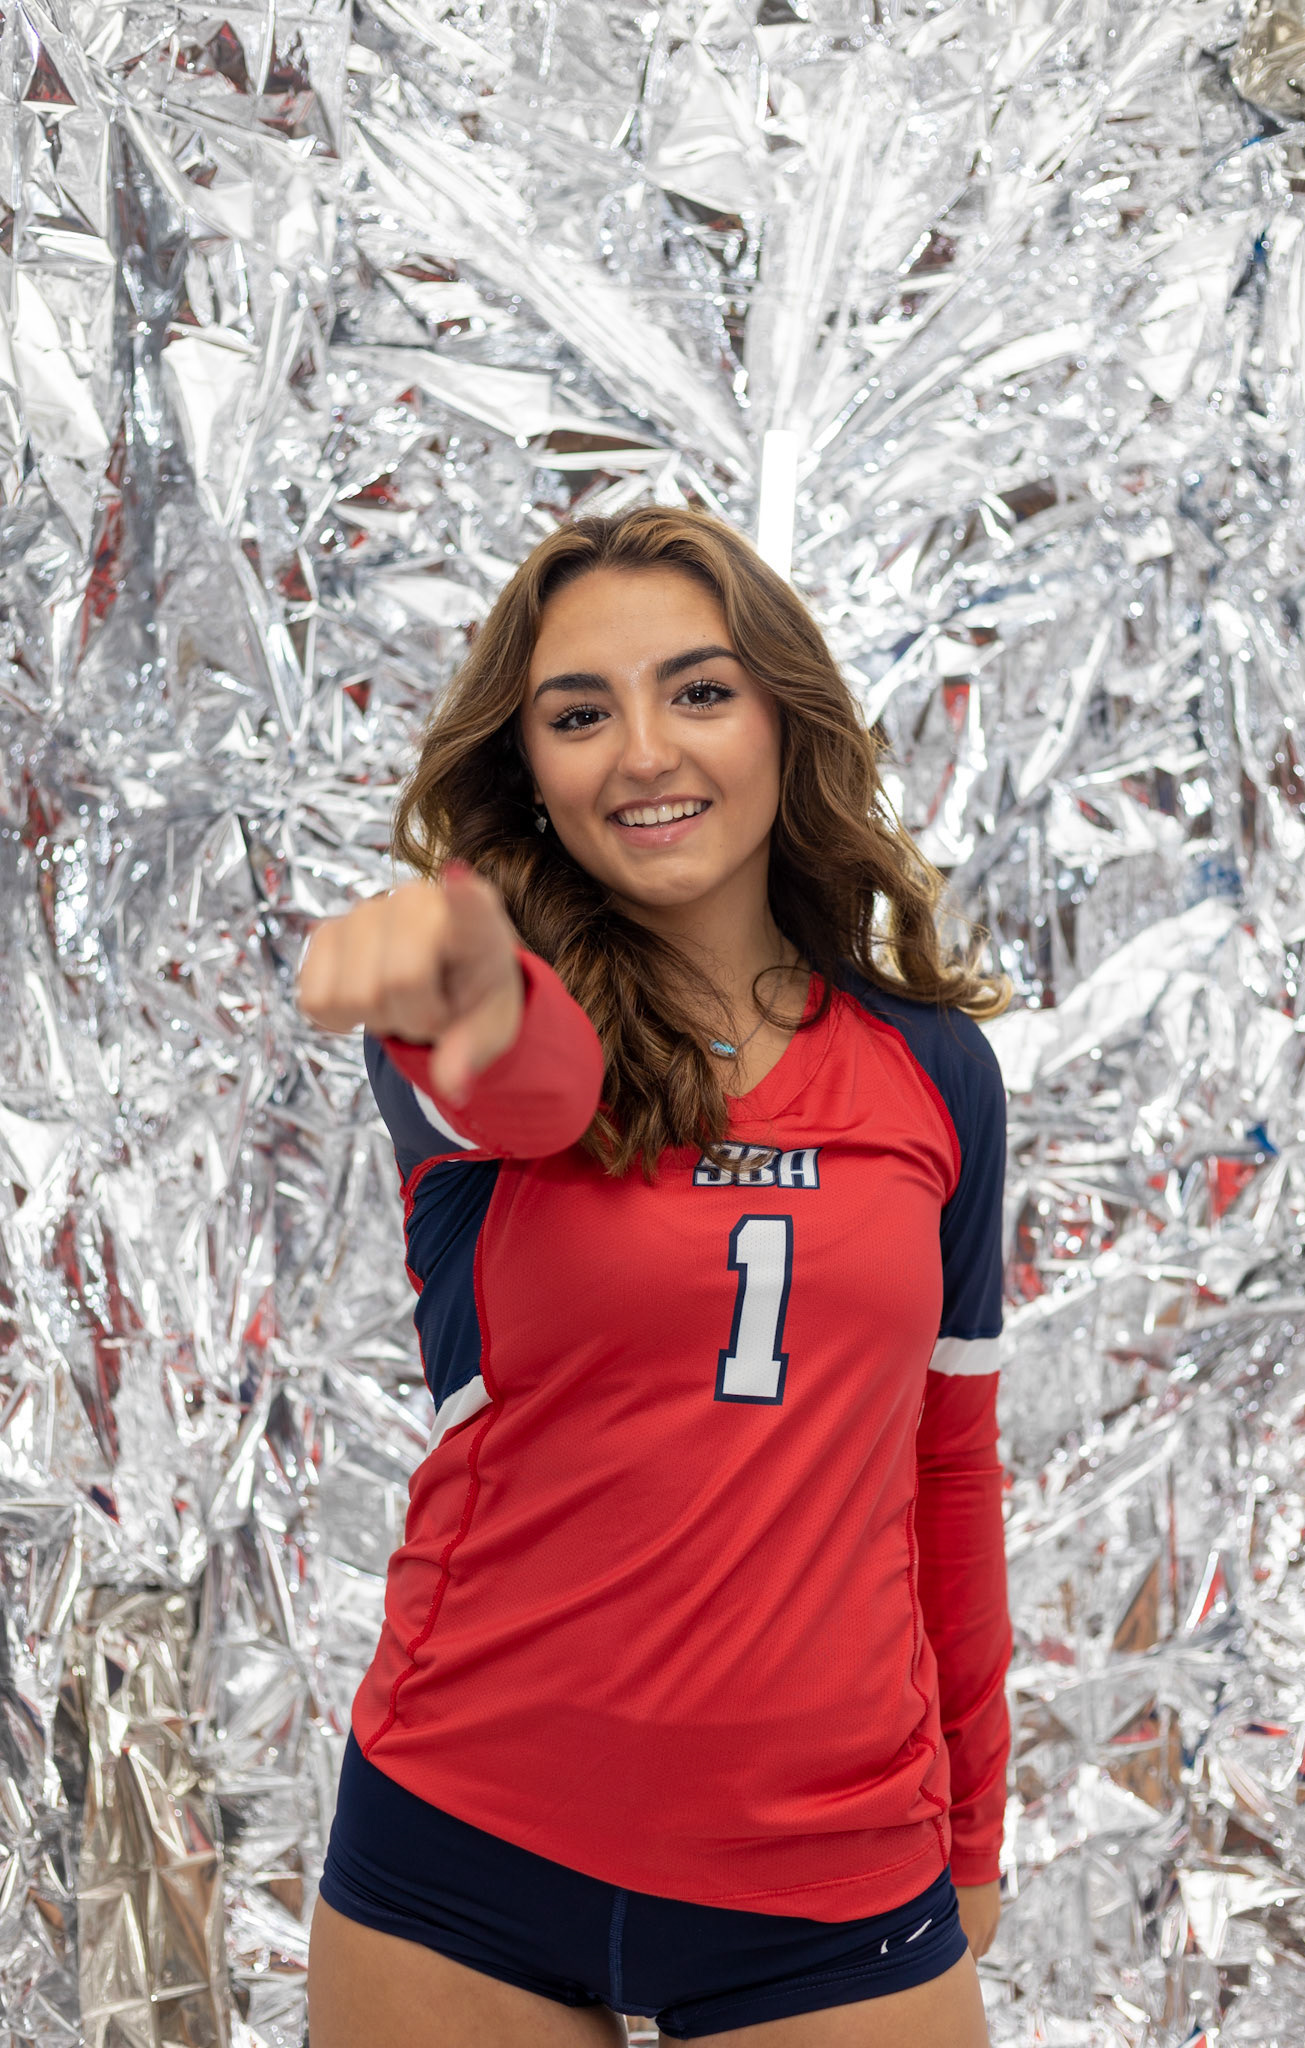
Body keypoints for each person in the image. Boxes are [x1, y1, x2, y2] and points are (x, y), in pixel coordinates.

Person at [296, 505, 1012, 2047]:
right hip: (460, 1847)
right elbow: (540, 1092)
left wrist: (973, 1828)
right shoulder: (464, 1026)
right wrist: (452, 962)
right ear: (531, 773)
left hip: (824, 1874)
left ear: (778, 717)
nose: (641, 753)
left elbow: (947, 1464)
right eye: (577, 714)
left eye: (696, 691)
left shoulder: (932, 1072)